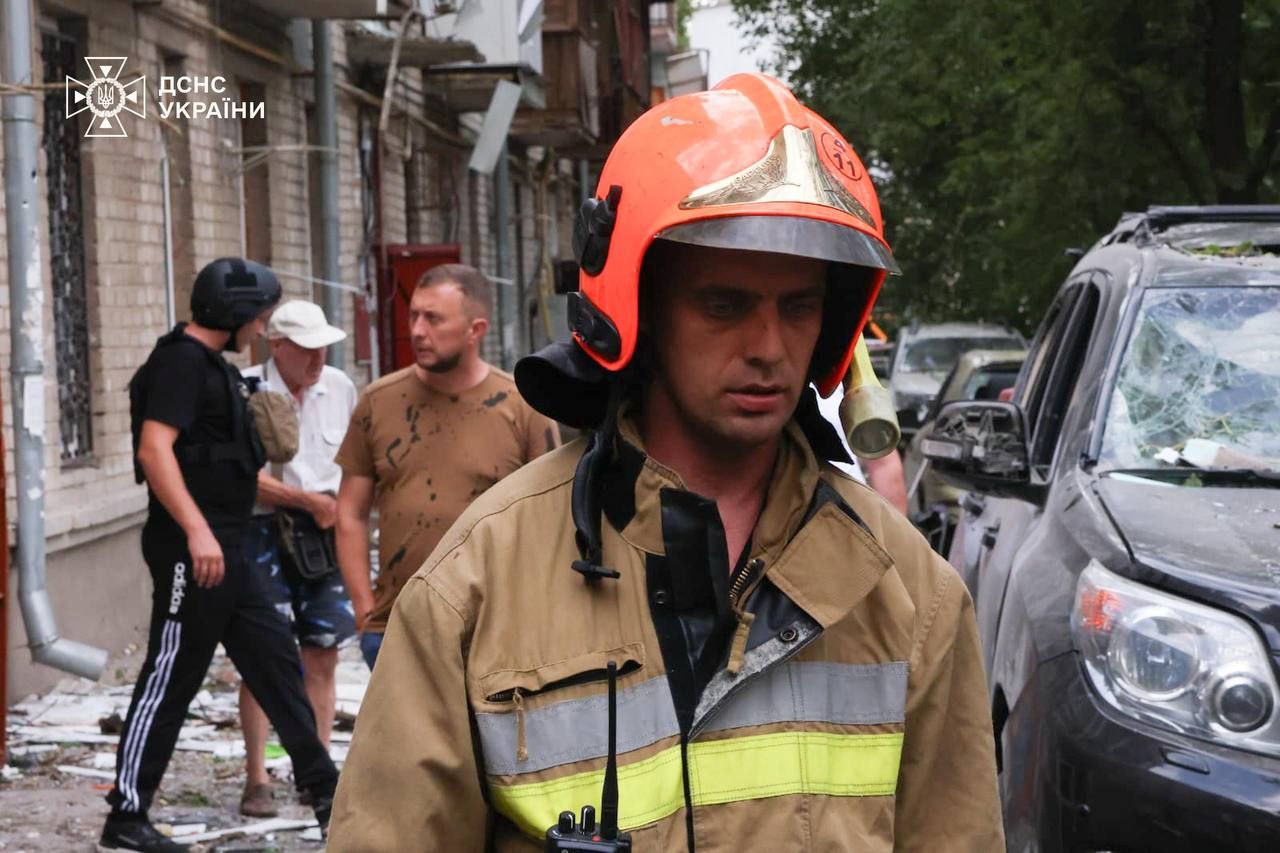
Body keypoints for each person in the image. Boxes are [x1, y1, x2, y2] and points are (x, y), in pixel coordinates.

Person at [329, 74, 1003, 851]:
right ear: (640, 308)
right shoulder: (476, 583)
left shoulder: (910, 593)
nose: (768, 346)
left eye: (798, 306)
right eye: (725, 304)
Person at [104, 260, 338, 853]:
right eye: (258, 318)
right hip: (194, 552)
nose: (260, 329)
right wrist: (197, 532)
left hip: (231, 547)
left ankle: (330, 801)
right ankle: (125, 817)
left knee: (278, 666)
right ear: (234, 311)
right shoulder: (179, 363)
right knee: (171, 675)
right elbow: (155, 450)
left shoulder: (213, 367)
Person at [334, 263, 561, 669]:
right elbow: (350, 512)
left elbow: (554, 521)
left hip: (495, 629)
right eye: (414, 316)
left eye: (433, 318)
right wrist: (364, 609)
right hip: (396, 629)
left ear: (476, 330)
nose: (417, 330)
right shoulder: (378, 402)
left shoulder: (522, 407)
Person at [237, 300, 357, 818]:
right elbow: (238, 477)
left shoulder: (339, 386)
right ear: (276, 346)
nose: (317, 358)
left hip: (323, 534)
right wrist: (306, 501)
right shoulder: (245, 390)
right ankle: (257, 776)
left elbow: (353, 464)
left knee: (322, 650)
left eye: (323, 347)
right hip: (261, 530)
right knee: (262, 656)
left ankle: (317, 771)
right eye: (306, 349)